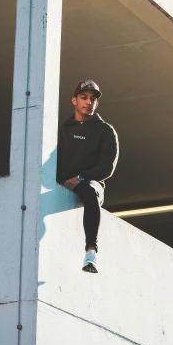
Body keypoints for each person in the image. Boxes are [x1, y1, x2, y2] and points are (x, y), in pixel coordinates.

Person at [57, 80, 119, 273]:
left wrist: (81, 177)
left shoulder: (105, 131)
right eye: (84, 97)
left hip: (90, 182)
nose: (88, 102)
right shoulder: (63, 129)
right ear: (74, 100)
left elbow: (107, 168)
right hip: (63, 183)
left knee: (90, 190)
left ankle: (91, 252)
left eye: (93, 99)